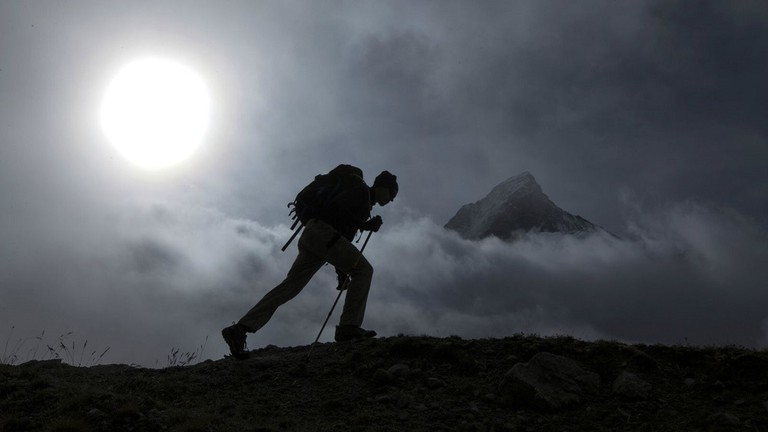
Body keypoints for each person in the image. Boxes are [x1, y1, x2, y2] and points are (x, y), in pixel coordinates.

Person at [222, 168, 399, 357]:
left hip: (313, 234)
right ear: (382, 187)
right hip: (323, 233)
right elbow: (338, 214)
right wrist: (365, 225)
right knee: (364, 270)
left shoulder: (360, 195)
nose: (391, 200)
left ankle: (241, 329)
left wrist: (342, 271)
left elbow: (342, 233)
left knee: (290, 286)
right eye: (391, 193)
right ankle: (349, 326)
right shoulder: (362, 192)